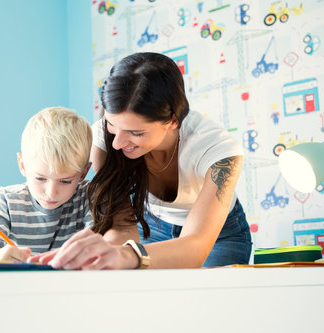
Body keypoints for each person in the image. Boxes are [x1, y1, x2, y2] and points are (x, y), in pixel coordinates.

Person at [30, 52, 251, 270]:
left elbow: (194, 249)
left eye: (135, 132)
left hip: (218, 235)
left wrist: (124, 254)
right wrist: (98, 254)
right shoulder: (104, 140)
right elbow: (123, 227)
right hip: (150, 227)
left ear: (173, 121)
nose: (117, 143)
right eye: (112, 125)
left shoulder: (219, 151)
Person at [0, 106, 93, 262]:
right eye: (40, 178)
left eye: (65, 181)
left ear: (83, 173)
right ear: (22, 165)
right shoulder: (5, 201)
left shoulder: (90, 196)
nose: (51, 192)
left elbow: (100, 247)